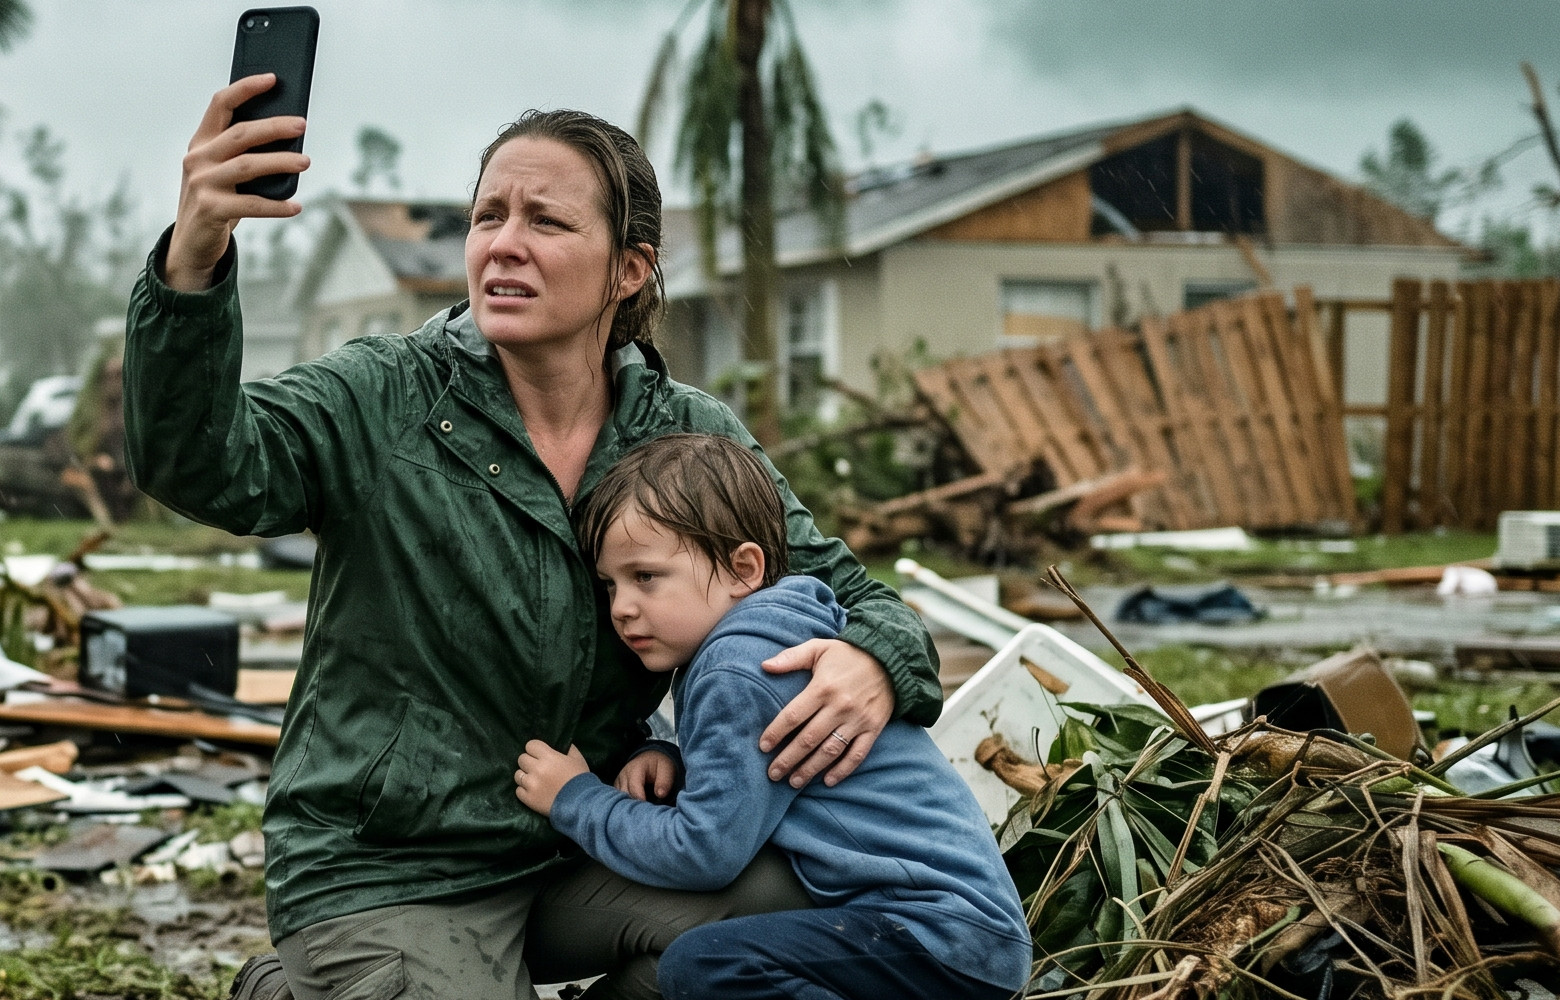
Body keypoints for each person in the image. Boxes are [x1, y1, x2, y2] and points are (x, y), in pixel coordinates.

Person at [127, 75, 946, 1000]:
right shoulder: (380, 397)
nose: (503, 244)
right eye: (488, 217)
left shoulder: (687, 437)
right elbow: (199, 463)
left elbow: (861, 599)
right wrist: (194, 256)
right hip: (392, 867)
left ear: (628, 269)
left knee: (797, 913)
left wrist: (875, 662)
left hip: (583, 836)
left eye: (546, 222)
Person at [514, 433, 1030, 1000]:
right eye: (610, 585)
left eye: (646, 577)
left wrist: (576, 799)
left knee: (706, 966)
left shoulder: (737, 668)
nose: (621, 608)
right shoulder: (771, 633)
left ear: (743, 569)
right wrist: (672, 758)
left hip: (936, 935)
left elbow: (703, 852)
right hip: (951, 929)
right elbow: (754, 770)